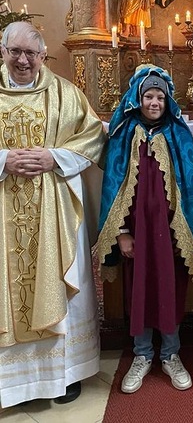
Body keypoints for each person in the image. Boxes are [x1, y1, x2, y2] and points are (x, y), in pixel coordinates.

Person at [0, 21, 106, 407]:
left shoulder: (66, 93)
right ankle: (11, 384)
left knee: (62, 280)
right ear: (3, 52)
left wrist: (53, 156)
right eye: (15, 52)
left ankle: (68, 373)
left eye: (31, 53)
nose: (23, 60)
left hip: (56, 208)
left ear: (44, 56)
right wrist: (4, 160)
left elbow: (94, 135)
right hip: (2, 209)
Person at [96, 65, 193, 394]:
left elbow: (190, 187)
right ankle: (143, 354)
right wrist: (120, 233)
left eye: (160, 96)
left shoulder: (178, 134)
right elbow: (111, 188)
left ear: (167, 99)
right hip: (137, 234)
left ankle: (171, 353)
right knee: (139, 289)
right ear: (138, 98)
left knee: (170, 289)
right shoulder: (124, 134)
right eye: (149, 96)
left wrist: (182, 231)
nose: (155, 102)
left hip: (171, 232)